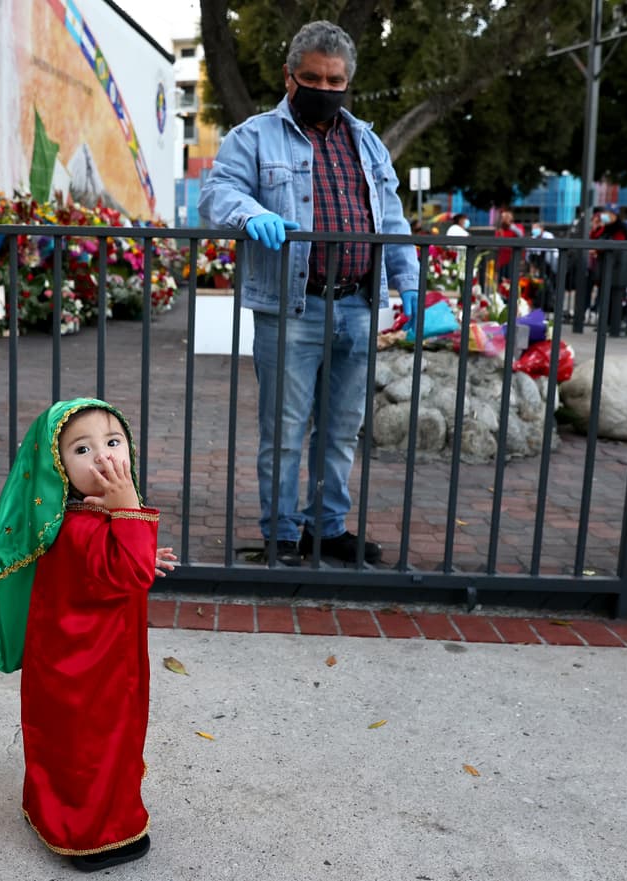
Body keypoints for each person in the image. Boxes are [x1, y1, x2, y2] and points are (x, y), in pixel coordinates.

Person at [199, 20, 418, 568]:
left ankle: (328, 527)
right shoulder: (252, 136)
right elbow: (217, 191)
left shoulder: (366, 142)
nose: (325, 88)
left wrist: (408, 281)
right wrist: (251, 214)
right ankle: (282, 535)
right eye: (312, 78)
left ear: (348, 82)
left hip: (358, 303)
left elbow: (390, 216)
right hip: (292, 306)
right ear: (289, 77)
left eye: (335, 80)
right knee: (285, 430)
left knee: (342, 429)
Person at [0, 398, 178, 872]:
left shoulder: (61, 523)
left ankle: (48, 813)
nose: (105, 458)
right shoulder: (87, 525)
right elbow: (125, 573)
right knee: (96, 750)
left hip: (63, 665)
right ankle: (96, 836)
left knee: (59, 745)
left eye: (113, 442)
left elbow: (104, 571)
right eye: (82, 449)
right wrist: (130, 513)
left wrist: (131, 540)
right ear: (56, 464)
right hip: (96, 673)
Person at [590, 206, 627, 335]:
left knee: (615, 298)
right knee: (605, 298)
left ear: (615, 216)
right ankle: (606, 324)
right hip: (607, 268)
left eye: (608, 214)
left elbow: (616, 246)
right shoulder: (606, 228)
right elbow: (594, 239)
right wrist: (596, 227)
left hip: (617, 269)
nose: (605, 216)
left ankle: (615, 325)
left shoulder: (620, 230)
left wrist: (599, 249)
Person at [493, 208, 524, 280]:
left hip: (514, 259)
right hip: (502, 260)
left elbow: (521, 235)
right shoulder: (500, 230)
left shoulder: (517, 226)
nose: (504, 219)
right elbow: (497, 243)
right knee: (502, 280)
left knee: (512, 279)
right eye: (503, 218)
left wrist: (511, 226)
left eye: (506, 217)